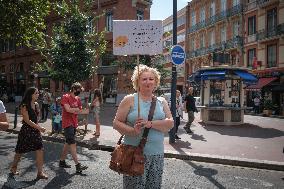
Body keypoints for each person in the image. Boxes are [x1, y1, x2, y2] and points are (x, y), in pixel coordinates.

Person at [113, 64, 174, 189]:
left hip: (156, 154)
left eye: (151, 79)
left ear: (156, 82)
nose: (148, 82)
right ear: (137, 82)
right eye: (144, 79)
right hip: (133, 153)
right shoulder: (129, 99)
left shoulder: (161, 101)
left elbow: (170, 123)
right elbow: (116, 123)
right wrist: (132, 130)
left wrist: (150, 124)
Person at [10, 87, 48, 179]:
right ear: (30, 94)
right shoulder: (24, 105)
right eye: (36, 93)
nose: (38, 94)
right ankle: (13, 167)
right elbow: (27, 120)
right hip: (26, 131)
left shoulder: (36, 104)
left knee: (40, 149)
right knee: (20, 151)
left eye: (38, 93)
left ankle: (40, 173)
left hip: (35, 131)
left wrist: (38, 128)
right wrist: (39, 128)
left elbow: (36, 119)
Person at [59, 82, 89, 173]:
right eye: (79, 90)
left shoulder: (78, 99)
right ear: (74, 89)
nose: (79, 92)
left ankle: (62, 161)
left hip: (74, 123)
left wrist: (83, 114)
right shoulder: (66, 97)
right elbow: (67, 109)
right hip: (67, 124)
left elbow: (79, 111)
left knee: (68, 143)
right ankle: (78, 165)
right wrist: (76, 110)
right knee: (72, 143)